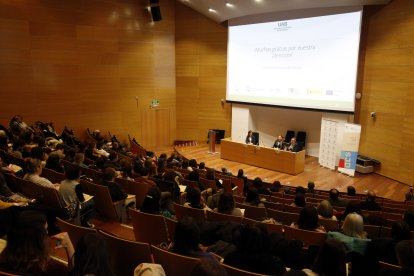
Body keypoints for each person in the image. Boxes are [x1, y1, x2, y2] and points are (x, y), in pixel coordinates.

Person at [0, 210, 74, 275]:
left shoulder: (3, 259)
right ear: (37, 238)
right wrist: (68, 244)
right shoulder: (49, 268)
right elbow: (75, 272)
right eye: (45, 231)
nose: (47, 233)